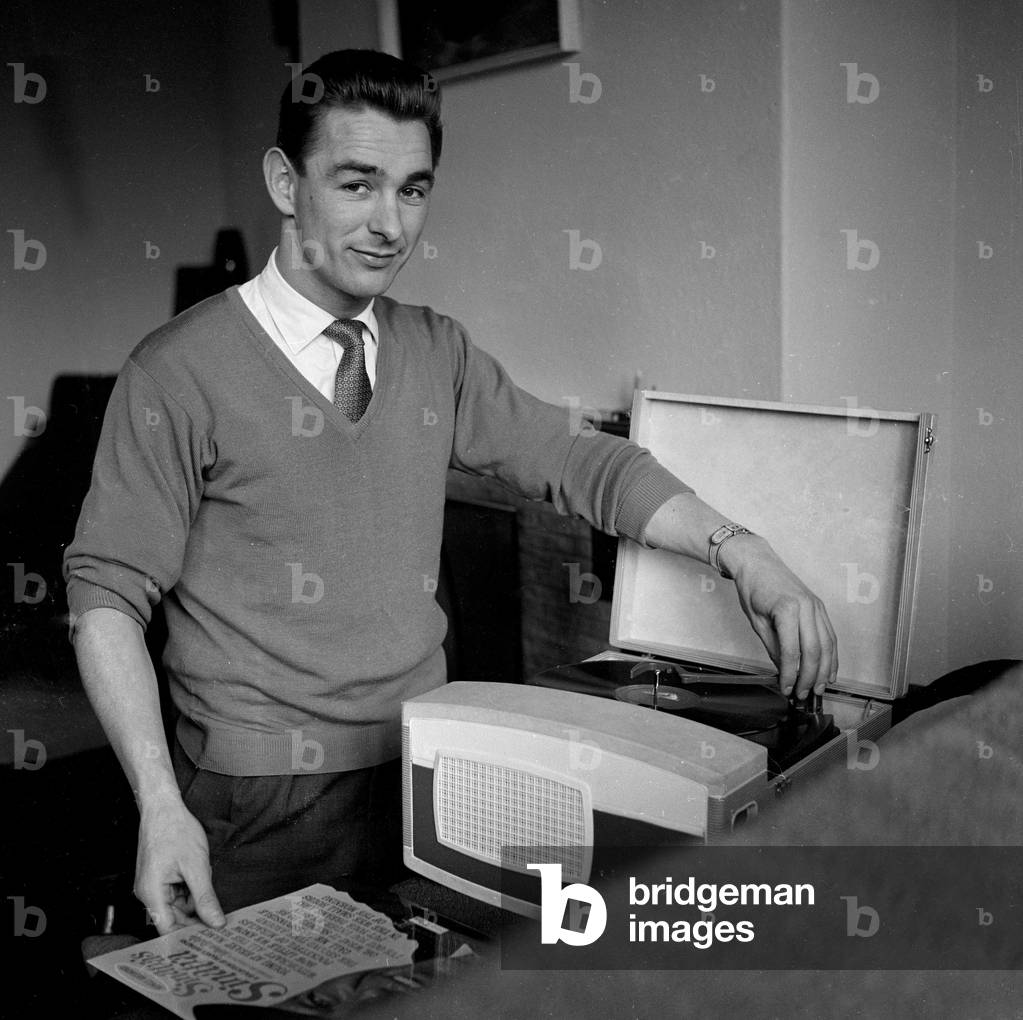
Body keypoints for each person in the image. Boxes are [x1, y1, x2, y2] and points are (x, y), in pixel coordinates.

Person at [63, 49, 837, 935]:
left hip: (434, 767)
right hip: (258, 799)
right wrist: (160, 804)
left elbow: (583, 462)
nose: (389, 223)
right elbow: (107, 597)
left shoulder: (438, 350)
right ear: (284, 181)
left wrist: (746, 552)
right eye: (356, 184)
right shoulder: (175, 371)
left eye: (413, 189)